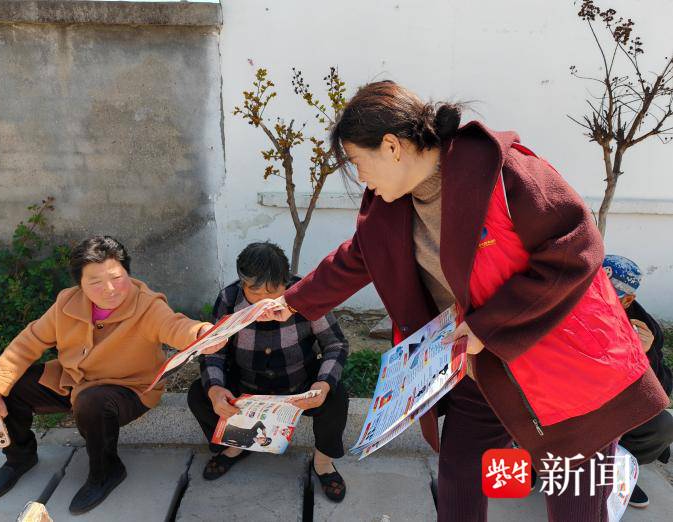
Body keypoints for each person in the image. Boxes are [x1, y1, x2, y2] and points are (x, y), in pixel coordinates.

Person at [258, 81, 670, 521]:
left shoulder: (502, 172)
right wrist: (292, 302)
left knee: (575, 505)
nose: (360, 178)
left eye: (358, 162)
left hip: (565, 369)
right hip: (481, 366)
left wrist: (490, 324)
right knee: (459, 479)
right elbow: (358, 257)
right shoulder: (387, 206)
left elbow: (576, 247)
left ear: (392, 147)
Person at [0, 236, 225, 515]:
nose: (110, 289)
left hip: (128, 389)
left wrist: (201, 333)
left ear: (127, 273)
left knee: (92, 402)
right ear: (80, 284)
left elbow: (176, 326)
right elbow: (26, 343)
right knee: (13, 385)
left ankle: (106, 472)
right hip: (74, 380)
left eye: (117, 277)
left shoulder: (147, 306)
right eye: (95, 282)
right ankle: (19, 458)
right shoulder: (67, 303)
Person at [187, 242, 350, 502]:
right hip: (247, 388)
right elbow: (214, 351)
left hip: (299, 387)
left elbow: (335, 344)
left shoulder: (306, 294)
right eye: (254, 292)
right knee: (200, 393)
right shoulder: (229, 299)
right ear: (243, 284)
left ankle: (323, 462)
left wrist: (322, 384)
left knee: (336, 395)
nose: (264, 301)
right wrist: (216, 389)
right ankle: (235, 447)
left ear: (286, 282)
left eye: (272, 292)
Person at [603, 254, 673, 509]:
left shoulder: (644, 328)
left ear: (628, 300)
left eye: (606, 292)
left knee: (661, 425)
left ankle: (617, 472)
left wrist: (646, 354)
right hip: (566, 400)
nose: (594, 296)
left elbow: (662, 389)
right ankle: (535, 458)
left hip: (614, 406)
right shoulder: (565, 305)